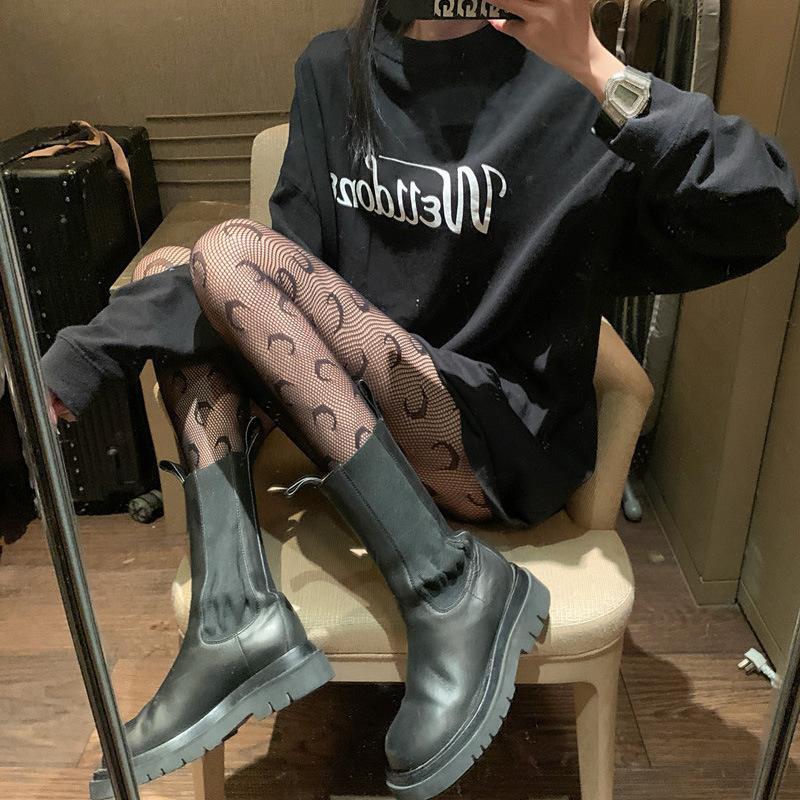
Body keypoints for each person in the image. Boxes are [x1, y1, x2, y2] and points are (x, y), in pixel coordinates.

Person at [42, 1, 799, 798]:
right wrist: (85, 353)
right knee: (179, 265)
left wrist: (594, 65)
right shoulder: (332, 69)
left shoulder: (569, 84)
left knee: (224, 251)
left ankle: (446, 585)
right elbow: (269, 282)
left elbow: (762, 206)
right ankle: (232, 615)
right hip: (356, 427)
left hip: (495, 444)